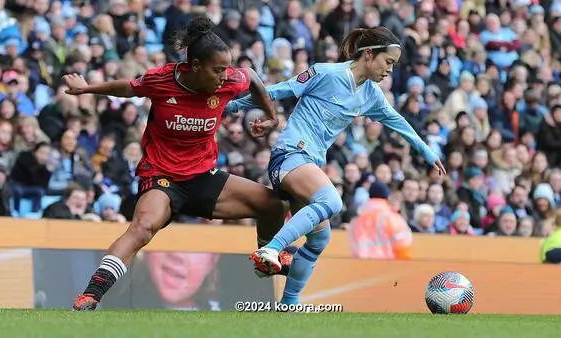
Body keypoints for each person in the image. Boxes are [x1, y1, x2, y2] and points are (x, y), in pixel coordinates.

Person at [66, 17, 290, 311]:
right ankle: (91, 294)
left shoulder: (231, 80)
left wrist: (271, 116)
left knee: (274, 204)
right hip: (162, 176)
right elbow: (128, 87)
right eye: (217, 70)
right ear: (195, 65)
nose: (224, 76)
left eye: (226, 69)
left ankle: (266, 258)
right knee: (143, 228)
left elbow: (253, 78)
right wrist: (87, 89)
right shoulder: (161, 80)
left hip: (202, 177)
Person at [225, 26, 447, 305]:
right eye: (388, 62)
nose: (390, 70)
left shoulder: (371, 94)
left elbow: (398, 122)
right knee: (331, 200)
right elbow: (277, 91)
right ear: (368, 54)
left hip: (310, 165)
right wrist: (231, 107)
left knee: (320, 240)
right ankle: (271, 250)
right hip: (290, 154)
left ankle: (289, 305)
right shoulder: (326, 73)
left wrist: (427, 152)